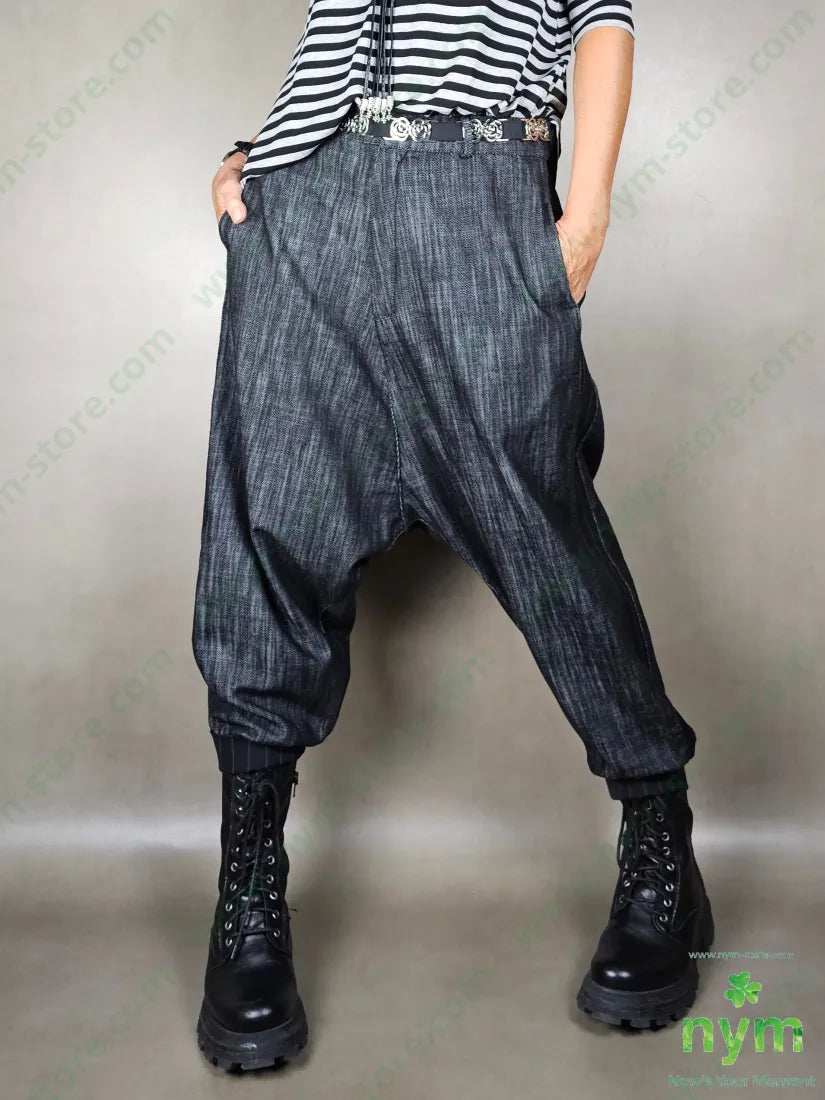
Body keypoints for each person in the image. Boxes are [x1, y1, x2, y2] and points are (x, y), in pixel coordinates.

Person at [192, 0, 713, 1073]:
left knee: (546, 539)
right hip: (307, 213)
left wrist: (584, 219)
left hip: (479, 199)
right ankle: (248, 896)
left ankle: (660, 835)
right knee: (267, 535)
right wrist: (251, 160)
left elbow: (601, 15)